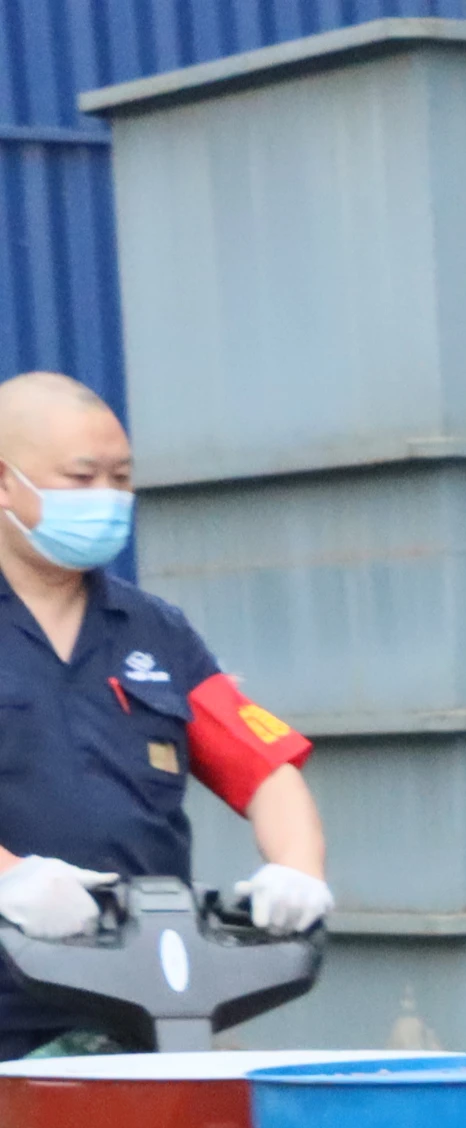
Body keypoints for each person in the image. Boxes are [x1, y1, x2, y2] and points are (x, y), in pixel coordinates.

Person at [0, 371, 334, 1056]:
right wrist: (12, 880)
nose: (108, 500)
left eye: (120, 479)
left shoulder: (153, 630)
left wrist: (297, 869)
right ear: (6, 484)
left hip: (145, 1010)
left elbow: (263, 767)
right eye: (82, 478)